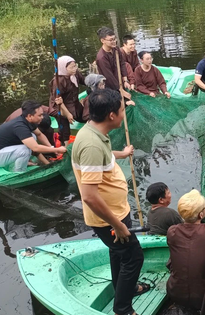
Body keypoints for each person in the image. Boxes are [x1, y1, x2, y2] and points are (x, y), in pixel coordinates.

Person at [71, 89, 147, 315]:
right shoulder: (92, 146)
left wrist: (123, 154)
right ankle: (123, 309)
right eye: (122, 110)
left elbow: (104, 158)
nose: (124, 114)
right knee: (134, 258)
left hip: (116, 211)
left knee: (118, 254)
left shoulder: (94, 133)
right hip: (108, 219)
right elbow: (90, 196)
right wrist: (117, 225)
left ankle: (126, 288)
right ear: (112, 115)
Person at [166, 189, 205, 312]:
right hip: (204, 297)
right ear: (201, 215)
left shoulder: (172, 231)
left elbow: (196, 231)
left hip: (174, 292)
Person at [0, 101, 66, 172]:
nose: (42, 117)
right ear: (30, 116)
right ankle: (19, 172)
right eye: (39, 115)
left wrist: (51, 148)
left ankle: (24, 162)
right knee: (24, 150)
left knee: (33, 137)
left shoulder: (27, 121)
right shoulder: (20, 126)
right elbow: (35, 148)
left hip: (2, 150)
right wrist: (57, 150)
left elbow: (39, 134)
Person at [48, 55, 87, 145]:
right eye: (72, 67)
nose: (75, 68)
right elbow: (58, 101)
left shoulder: (75, 74)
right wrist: (68, 114)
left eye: (75, 66)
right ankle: (65, 146)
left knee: (87, 117)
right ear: (64, 68)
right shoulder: (58, 81)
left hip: (74, 104)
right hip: (60, 108)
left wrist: (94, 80)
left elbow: (84, 81)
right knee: (65, 130)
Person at [95, 27, 131, 92]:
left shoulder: (116, 49)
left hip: (120, 82)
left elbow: (122, 63)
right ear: (103, 41)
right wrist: (121, 91)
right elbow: (109, 77)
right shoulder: (101, 57)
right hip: (110, 88)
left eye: (114, 39)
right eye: (111, 40)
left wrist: (125, 80)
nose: (114, 42)